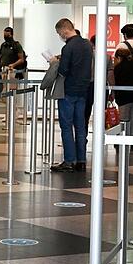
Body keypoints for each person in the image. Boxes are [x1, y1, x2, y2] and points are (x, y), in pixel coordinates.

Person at [50, 19, 93, 173]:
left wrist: (55, 62)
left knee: (66, 126)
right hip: (83, 90)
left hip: (68, 90)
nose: (59, 35)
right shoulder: (87, 45)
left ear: (64, 30)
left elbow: (63, 71)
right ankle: (81, 161)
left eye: (59, 33)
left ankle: (69, 161)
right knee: (80, 126)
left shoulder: (68, 47)